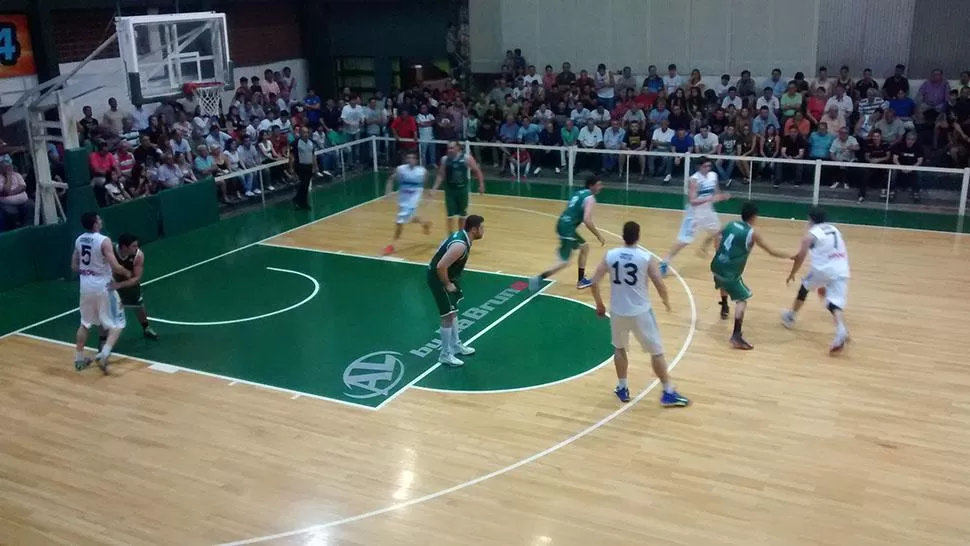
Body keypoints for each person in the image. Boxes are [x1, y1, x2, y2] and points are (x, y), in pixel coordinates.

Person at [587, 220, 690, 407]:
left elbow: (594, 282)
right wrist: (666, 302)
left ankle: (623, 387)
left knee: (619, 348)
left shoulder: (611, 255)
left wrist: (599, 304)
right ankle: (667, 391)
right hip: (641, 312)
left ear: (623, 235)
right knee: (656, 352)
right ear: (638, 236)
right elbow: (660, 284)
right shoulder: (645, 257)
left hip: (618, 311)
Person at [710, 202, 790, 350]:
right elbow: (771, 251)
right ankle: (736, 335)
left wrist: (717, 251)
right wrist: (790, 256)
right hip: (729, 272)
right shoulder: (752, 233)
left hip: (716, 265)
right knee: (742, 299)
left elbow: (717, 235)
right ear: (753, 217)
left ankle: (724, 305)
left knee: (723, 283)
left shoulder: (732, 223)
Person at [782, 207, 851, 353]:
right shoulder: (835, 229)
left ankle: (791, 316)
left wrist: (792, 273)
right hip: (842, 268)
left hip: (823, 269)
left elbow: (800, 257)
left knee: (804, 287)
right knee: (834, 302)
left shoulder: (810, 235)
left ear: (811, 220)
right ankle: (841, 330)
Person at [72, 212, 130, 373]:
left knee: (85, 323)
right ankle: (103, 354)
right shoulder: (104, 241)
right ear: (95, 223)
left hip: (85, 285)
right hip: (102, 286)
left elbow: (74, 266)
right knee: (118, 324)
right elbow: (116, 266)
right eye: (99, 219)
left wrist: (88, 270)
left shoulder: (79, 240)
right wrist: (127, 273)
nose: (101, 220)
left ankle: (78, 358)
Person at [427, 215, 486, 367]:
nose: (483, 230)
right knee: (447, 316)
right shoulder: (460, 245)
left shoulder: (463, 236)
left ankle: (455, 345)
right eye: (482, 227)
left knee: (453, 312)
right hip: (439, 278)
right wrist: (446, 284)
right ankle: (445, 354)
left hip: (447, 276)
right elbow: (441, 266)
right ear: (474, 229)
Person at [528, 175, 606, 291]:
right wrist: (598, 235)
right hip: (567, 229)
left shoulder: (578, 193)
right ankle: (539, 278)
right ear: (591, 185)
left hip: (563, 223)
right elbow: (587, 220)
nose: (601, 187)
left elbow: (571, 209)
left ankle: (581, 280)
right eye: (598, 184)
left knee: (585, 247)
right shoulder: (590, 198)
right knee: (564, 262)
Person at [659, 157, 729, 275]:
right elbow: (693, 201)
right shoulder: (694, 179)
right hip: (694, 214)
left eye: (709, 166)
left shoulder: (713, 176)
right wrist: (709, 198)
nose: (708, 168)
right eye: (705, 166)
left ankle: (718, 262)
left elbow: (716, 192)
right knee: (685, 240)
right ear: (699, 167)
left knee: (719, 234)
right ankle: (665, 262)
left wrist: (721, 196)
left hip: (708, 211)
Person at [100, 234, 159, 348]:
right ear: (123, 247)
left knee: (138, 305)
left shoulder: (138, 255)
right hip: (111, 282)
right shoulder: (111, 250)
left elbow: (136, 278)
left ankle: (146, 328)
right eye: (133, 246)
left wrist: (119, 285)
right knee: (106, 310)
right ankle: (102, 340)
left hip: (128, 283)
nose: (136, 248)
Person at [383, 149, 433, 256]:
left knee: (399, 222)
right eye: (409, 158)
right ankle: (425, 224)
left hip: (415, 198)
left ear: (417, 160)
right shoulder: (401, 169)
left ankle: (392, 245)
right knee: (411, 218)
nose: (411, 160)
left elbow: (426, 181)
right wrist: (388, 191)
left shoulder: (422, 171)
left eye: (413, 158)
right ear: (406, 159)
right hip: (403, 198)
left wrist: (428, 193)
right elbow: (391, 179)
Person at [431, 141, 486, 234]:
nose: (450, 150)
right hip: (450, 190)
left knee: (462, 215)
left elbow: (477, 171)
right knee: (450, 216)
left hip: (462, 189)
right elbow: (441, 175)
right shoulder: (444, 159)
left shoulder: (466, 158)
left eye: (452, 148)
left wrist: (481, 184)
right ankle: (450, 235)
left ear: (458, 148)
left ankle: (461, 234)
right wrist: (434, 188)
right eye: (448, 148)